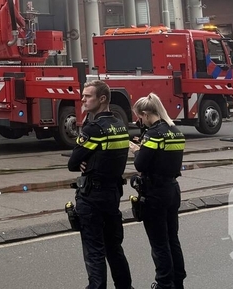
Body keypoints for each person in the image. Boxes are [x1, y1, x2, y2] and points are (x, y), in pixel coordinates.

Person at [67, 80, 132, 289]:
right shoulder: (120, 125)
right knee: (114, 248)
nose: (83, 99)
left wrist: (88, 159)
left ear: (102, 99)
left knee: (94, 251)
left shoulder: (93, 128)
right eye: (83, 95)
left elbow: (73, 163)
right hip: (112, 194)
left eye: (88, 96)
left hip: (91, 196)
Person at [130, 93, 187, 289]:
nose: (140, 120)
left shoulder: (153, 134)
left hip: (155, 192)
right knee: (173, 239)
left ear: (146, 114)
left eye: (139, 117)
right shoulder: (175, 131)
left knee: (159, 243)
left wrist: (137, 149)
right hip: (172, 189)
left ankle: (164, 284)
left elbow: (140, 164)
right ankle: (177, 281)